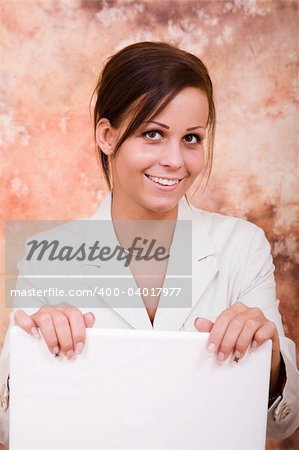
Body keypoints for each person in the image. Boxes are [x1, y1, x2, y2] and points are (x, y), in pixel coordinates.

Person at [0, 41, 298, 446]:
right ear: (107, 136)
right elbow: (8, 425)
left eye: (191, 138)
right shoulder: (46, 255)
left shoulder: (242, 247)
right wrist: (36, 356)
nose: (175, 160)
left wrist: (272, 359)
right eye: (153, 134)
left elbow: (282, 425)